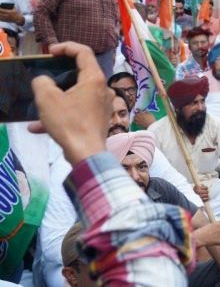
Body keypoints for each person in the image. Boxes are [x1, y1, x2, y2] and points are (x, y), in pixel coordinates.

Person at [32, 42, 193, 285]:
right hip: (75, 265)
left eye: (122, 114)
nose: (117, 122)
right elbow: (55, 248)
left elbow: (188, 198)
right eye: (107, 115)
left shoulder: (139, 147)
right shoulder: (65, 168)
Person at [107, 131, 220, 283]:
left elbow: (204, 224)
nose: (136, 176)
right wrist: (198, 239)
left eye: (141, 167)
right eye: (125, 169)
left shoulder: (159, 188)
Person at [150, 76, 220, 219]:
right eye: (193, 103)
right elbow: (153, 177)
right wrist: (189, 190)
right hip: (176, 191)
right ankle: (218, 221)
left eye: (202, 101)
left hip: (209, 186)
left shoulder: (215, 125)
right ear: (178, 108)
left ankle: (199, 220)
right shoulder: (156, 132)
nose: (200, 108)